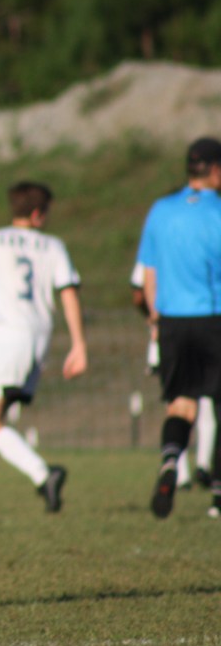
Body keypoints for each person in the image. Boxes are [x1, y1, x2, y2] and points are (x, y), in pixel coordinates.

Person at [0, 181, 87, 514]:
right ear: (38, 213)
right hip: (39, 337)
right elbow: (68, 293)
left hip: (7, 336)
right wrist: (79, 343)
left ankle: (43, 474)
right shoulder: (53, 246)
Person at [137, 137, 221, 520]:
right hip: (213, 317)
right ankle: (218, 491)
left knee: (181, 404)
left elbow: (148, 274)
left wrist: (156, 319)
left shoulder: (160, 211)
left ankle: (170, 463)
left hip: (171, 319)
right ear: (216, 170)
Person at [131, 261, 215, 491]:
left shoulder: (159, 234)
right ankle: (204, 466)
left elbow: (138, 294)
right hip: (208, 327)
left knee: (178, 404)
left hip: (169, 334)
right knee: (208, 405)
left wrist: (154, 318)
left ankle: (177, 469)